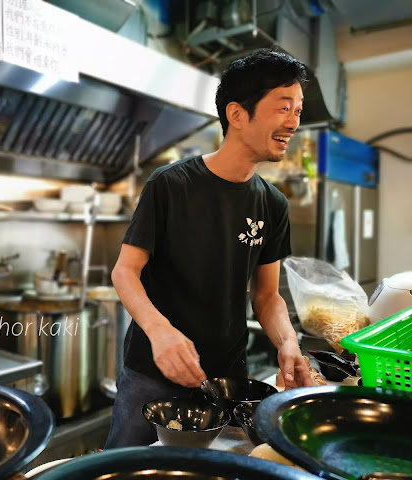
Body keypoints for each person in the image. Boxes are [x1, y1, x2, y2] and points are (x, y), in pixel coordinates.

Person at [104, 48, 314, 449]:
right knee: (126, 467)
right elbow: (124, 271)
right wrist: (161, 332)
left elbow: (267, 296)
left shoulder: (273, 203)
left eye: (298, 111)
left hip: (226, 377)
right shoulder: (171, 184)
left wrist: (288, 341)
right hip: (154, 370)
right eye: (283, 108)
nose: (293, 123)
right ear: (236, 114)